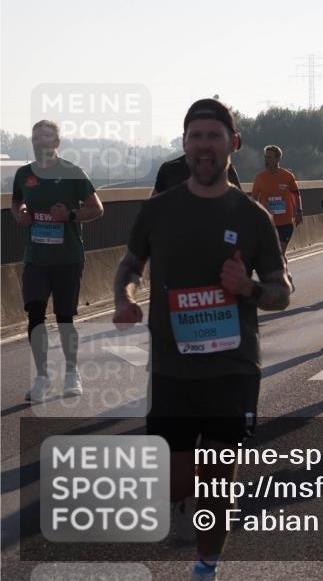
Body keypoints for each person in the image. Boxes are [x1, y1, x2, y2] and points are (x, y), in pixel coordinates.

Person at [112, 99, 290, 580]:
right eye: (196, 137)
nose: (204, 146)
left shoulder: (252, 217)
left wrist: (248, 288)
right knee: (173, 481)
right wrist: (125, 298)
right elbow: (130, 265)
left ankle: (206, 568)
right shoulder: (159, 210)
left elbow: (282, 291)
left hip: (233, 366)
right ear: (185, 144)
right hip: (172, 366)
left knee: (216, 480)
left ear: (233, 144)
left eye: (214, 136)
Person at [12, 120, 105, 401]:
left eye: (46, 138)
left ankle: (72, 373)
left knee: (65, 318)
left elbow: (97, 208)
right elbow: (17, 202)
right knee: (35, 314)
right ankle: (42, 377)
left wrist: (71, 215)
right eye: (35, 138)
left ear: (57, 142)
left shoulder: (73, 173)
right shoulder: (24, 174)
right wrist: (20, 213)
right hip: (36, 259)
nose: (40, 143)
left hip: (67, 259)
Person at [251, 145, 303, 259]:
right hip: (268, 223)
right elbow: (253, 199)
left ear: (277, 159)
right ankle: (282, 269)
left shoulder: (288, 176)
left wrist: (299, 211)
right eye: (265, 157)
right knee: (272, 255)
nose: (266, 160)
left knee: (280, 254)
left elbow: (296, 194)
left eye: (269, 157)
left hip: (285, 223)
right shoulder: (260, 177)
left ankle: (282, 269)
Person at [152, 152, 240, 196]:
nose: (203, 144)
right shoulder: (169, 170)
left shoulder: (226, 170)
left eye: (213, 136)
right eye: (196, 136)